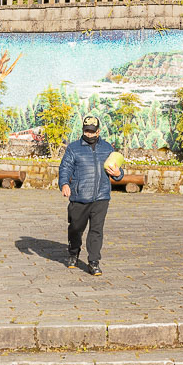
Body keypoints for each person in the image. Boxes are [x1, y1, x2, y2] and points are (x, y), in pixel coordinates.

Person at [58, 116, 123, 276]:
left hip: (101, 196)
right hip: (80, 196)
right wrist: (65, 184)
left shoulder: (107, 148)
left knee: (96, 230)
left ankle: (94, 262)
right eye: (86, 131)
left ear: (98, 131)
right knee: (75, 228)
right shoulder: (73, 148)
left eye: (92, 132)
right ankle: (73, 252)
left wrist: (118, 174)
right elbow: (65, 168)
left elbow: (117, 170)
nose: (89, 134)